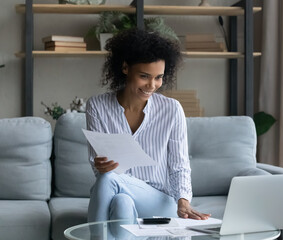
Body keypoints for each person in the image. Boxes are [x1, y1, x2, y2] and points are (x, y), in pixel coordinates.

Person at [86, 28, 211, 223]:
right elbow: (97, 165)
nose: (152, 85)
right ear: (125, 68)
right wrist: (100, 165)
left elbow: (179, 165)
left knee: (107, 180)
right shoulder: (97, 106)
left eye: (158, 77)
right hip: (115, 193)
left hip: (159, 200)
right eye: (144, 76)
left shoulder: (171, 109)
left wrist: (183, 201)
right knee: (121, 202)